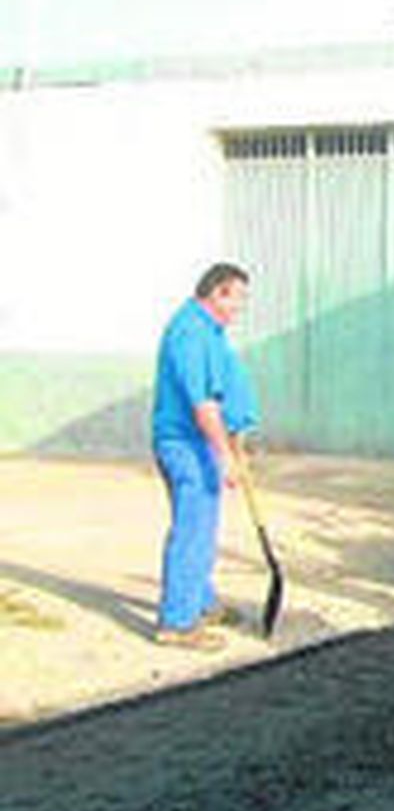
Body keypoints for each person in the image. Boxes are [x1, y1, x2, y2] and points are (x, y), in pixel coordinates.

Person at [150, 262, 260, 650]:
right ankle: (177, 623)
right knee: (192, 529)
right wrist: (224, 454)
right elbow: (203, 405)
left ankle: (201, 603)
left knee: (204, 527)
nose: (240, 309)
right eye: (237, 299)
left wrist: (236, 436)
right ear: (217, 293)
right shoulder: (190, 333)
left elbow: (224, 389)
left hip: (200, 442)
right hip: (186, 443)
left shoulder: (208, 331)